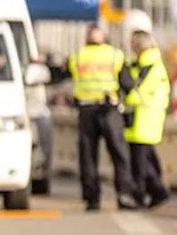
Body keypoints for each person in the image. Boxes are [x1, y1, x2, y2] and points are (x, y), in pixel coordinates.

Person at [68, 25, 139, 211]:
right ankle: (124, 195)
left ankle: (92, 199)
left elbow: (64, 75)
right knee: (119, 154)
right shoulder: (115, 55)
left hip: (86, 110)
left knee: (88, 156)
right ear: (105, 39)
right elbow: (128, 84)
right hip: (109, 110)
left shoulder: (78, 56)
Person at [124, 28, 171, 209]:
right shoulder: (140, 64)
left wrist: (127, 94)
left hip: (145, 119)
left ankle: (142, 195)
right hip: (141, 120)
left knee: (140, 164)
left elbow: (138, 93)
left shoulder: (151, 66)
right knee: (147, 160)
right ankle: (158, 192)